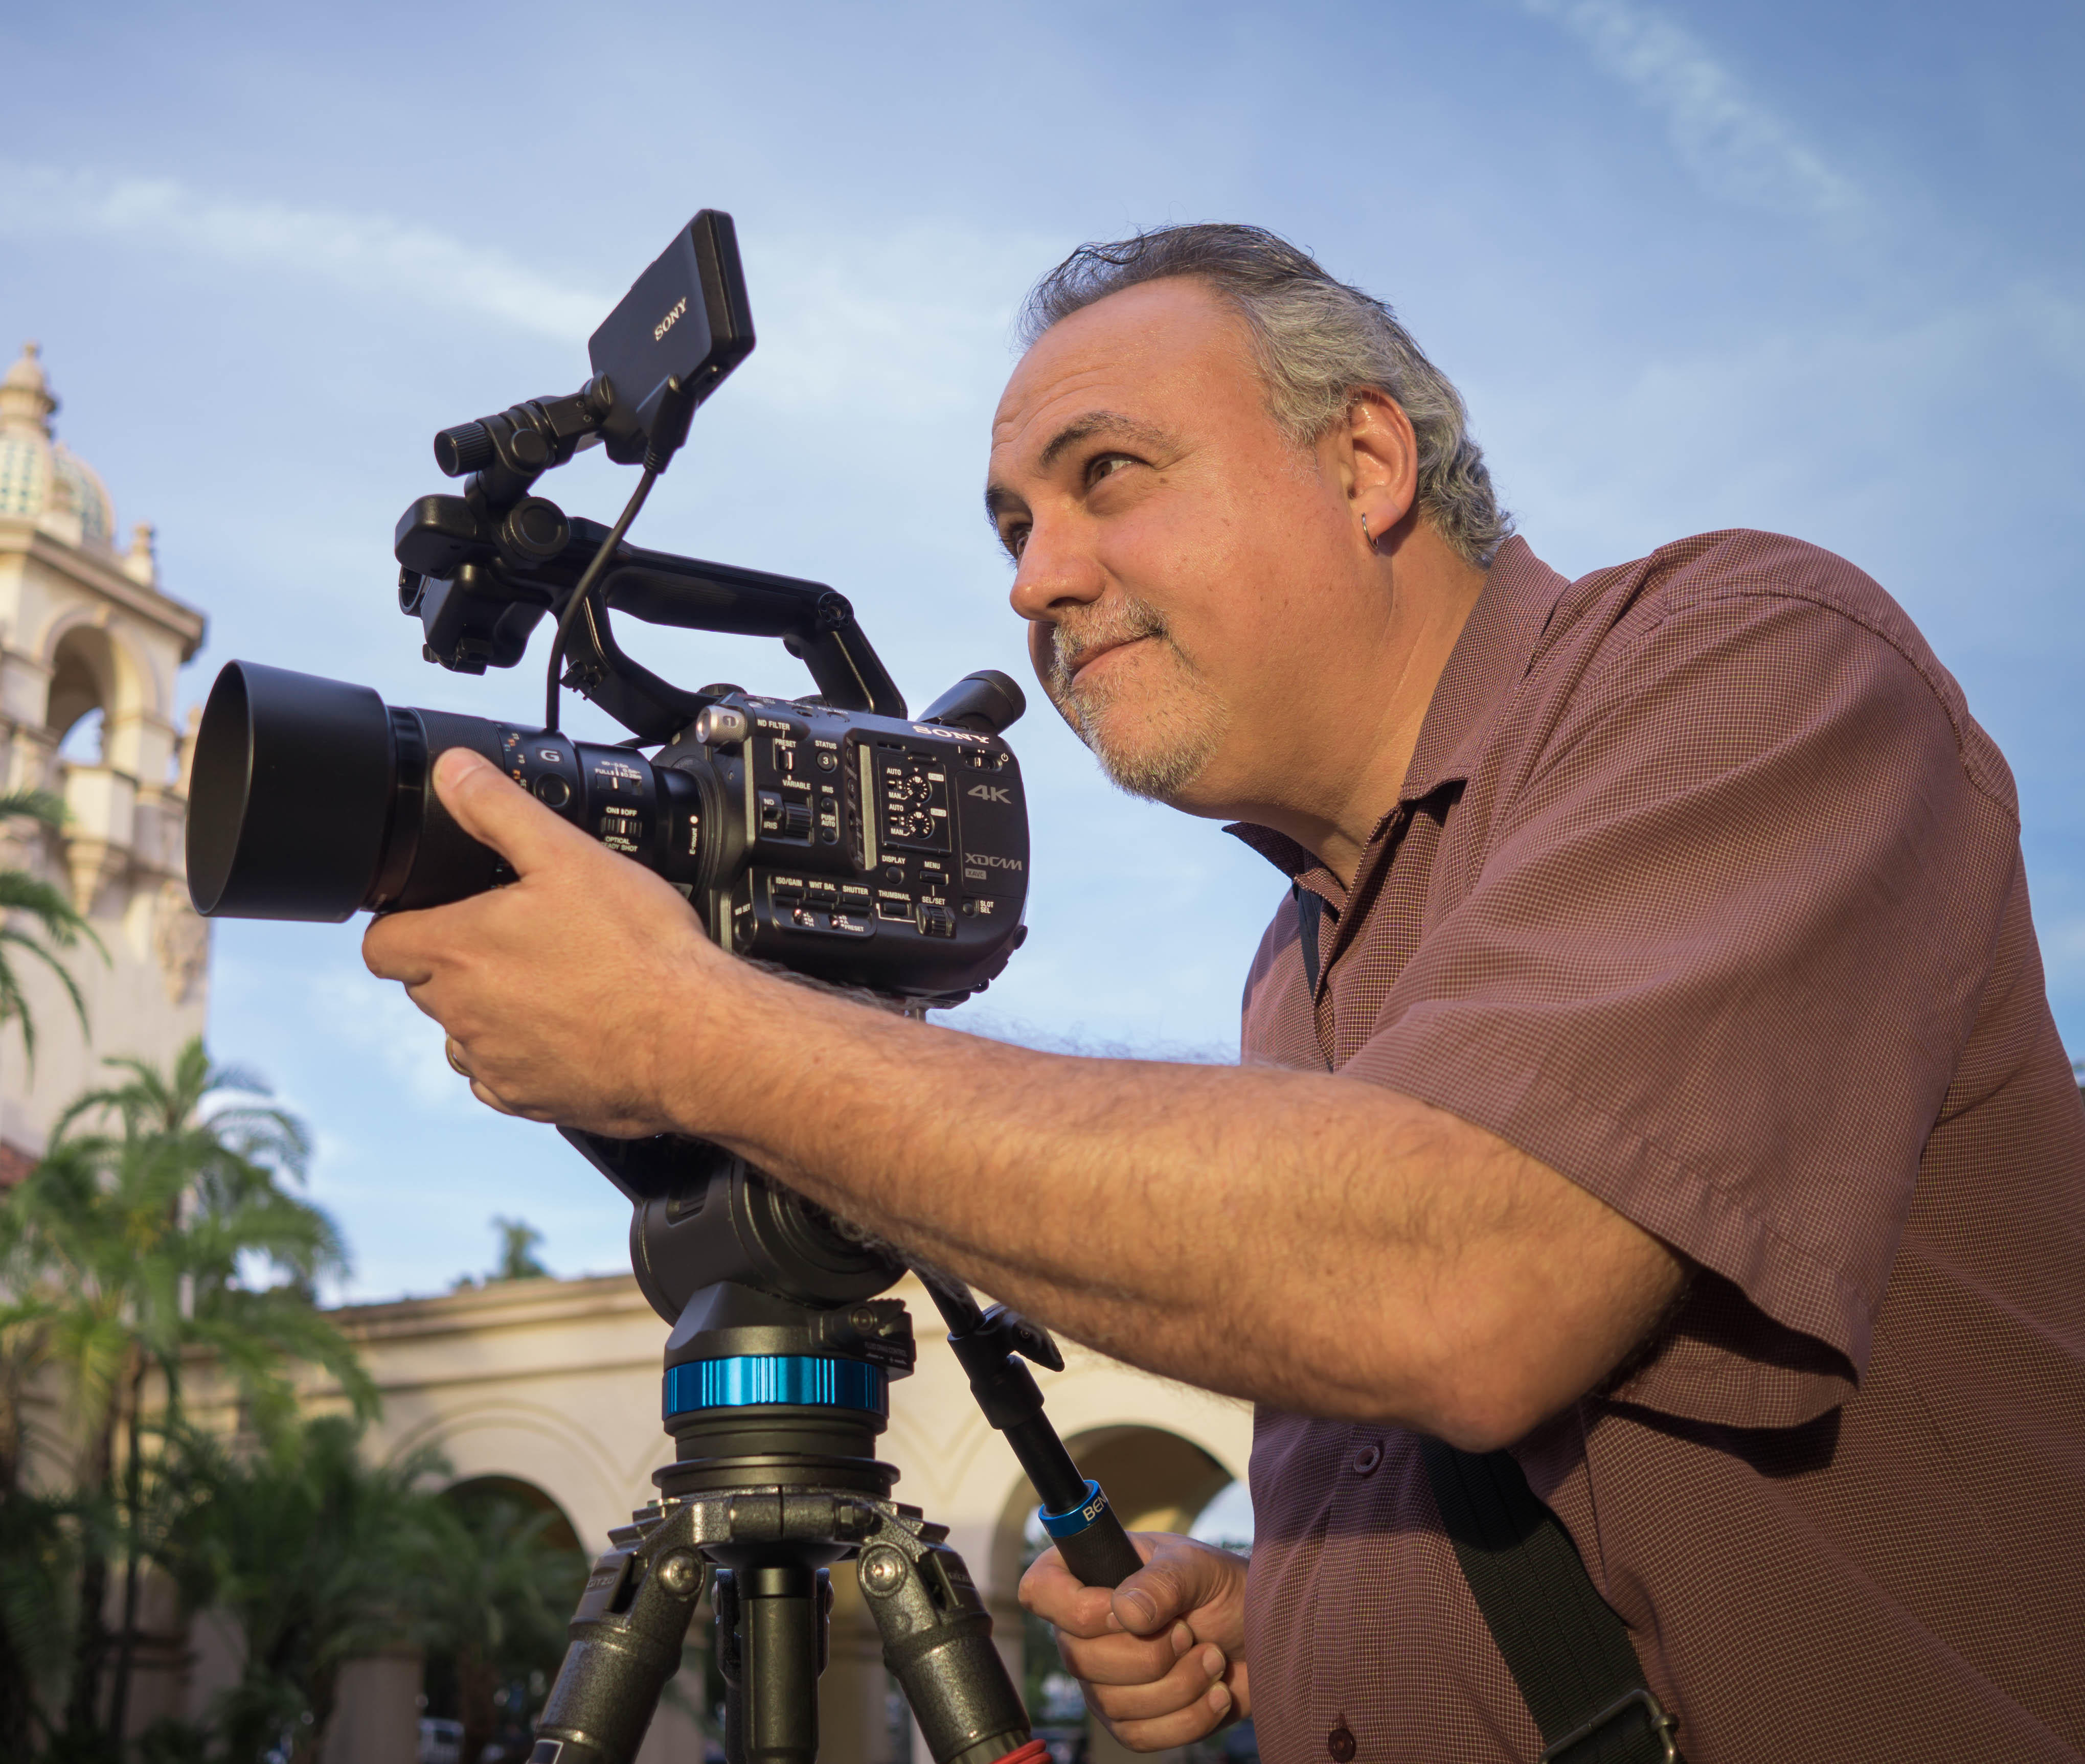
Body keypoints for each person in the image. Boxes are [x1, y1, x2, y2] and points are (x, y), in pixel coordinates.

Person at [359, 224, 2085, 1761]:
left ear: (1366, 461)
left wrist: (693, 1031)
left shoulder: (1747, 662)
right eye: (1016, 524)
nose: (1033, 578)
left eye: (1107, 474)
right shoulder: (1300, 960)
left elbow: (1467, 1278)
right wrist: (1296, 1600)